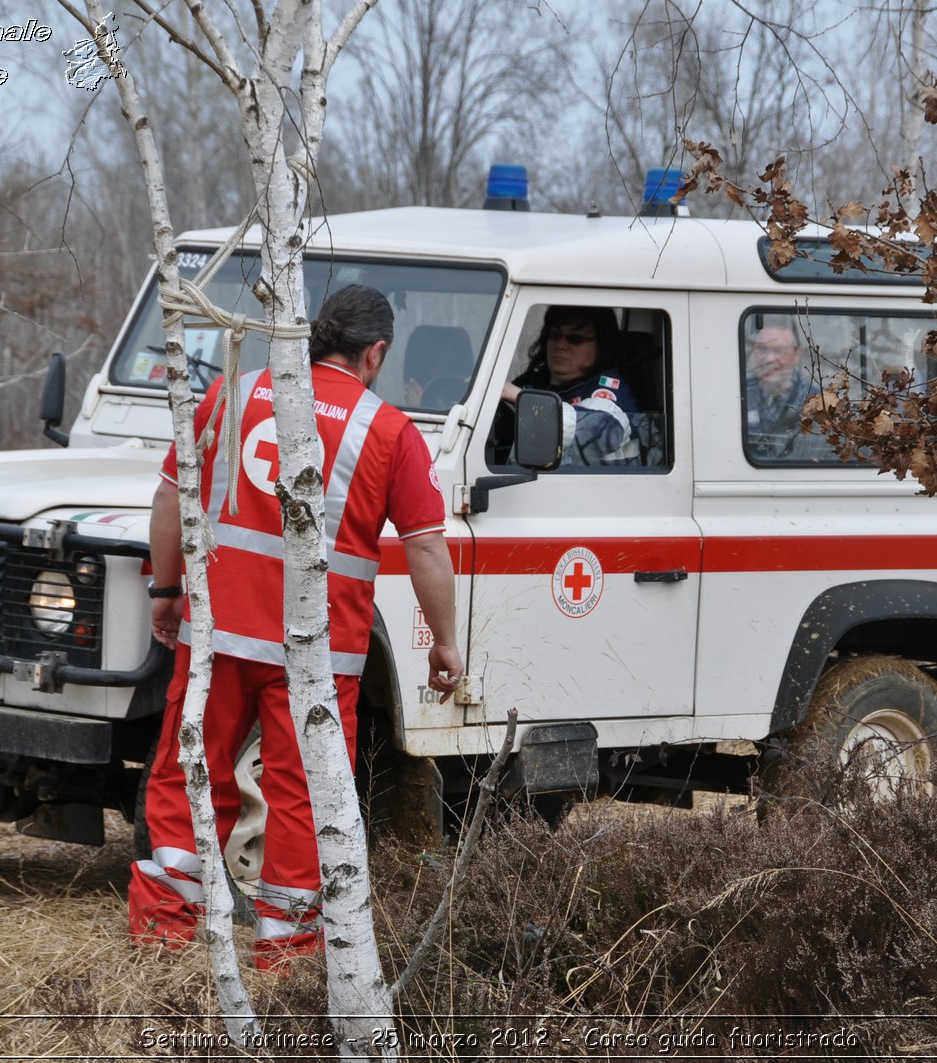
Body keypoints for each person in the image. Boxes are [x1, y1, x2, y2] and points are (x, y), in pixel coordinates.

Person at [129, 284, 465, 968]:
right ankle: (285, 956)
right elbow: (427, 545)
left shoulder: (230, 391)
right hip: (315, 653)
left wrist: (166, 590)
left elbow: (171, 495)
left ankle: (161, 935)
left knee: (187, 773)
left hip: (216, 635)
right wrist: (446, 641)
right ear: (375, 353)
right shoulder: (389, 430)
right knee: (302, 796)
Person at [500, 305, 641, 466]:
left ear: (601, 345)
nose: (561, 345)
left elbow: (595, 432)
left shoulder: (609, 390)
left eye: (575, 338)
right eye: (555, 335)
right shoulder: (537, 380)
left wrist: (519, 397)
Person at [744, 323, 822, 460]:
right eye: (762, 349)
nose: (768, 359)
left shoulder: (816, 401)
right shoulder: (740, 394)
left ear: (796, 355)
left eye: (778, 351)